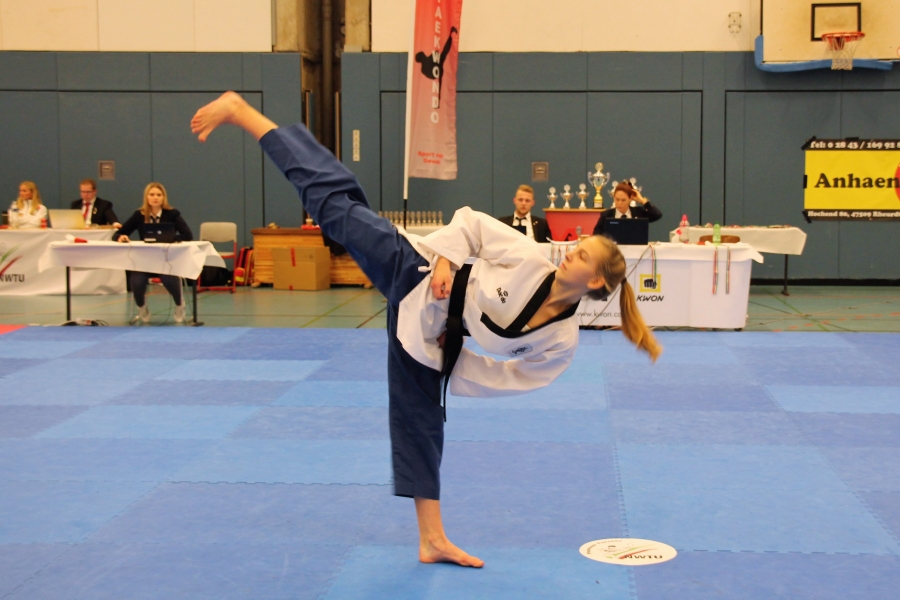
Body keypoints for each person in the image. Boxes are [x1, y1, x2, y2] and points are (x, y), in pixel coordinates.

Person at [190, 91, 661, 568]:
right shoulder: (530, 258)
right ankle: (244, 113)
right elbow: (472, 225)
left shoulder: (559, 343)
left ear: (595, 281)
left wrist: (454, 360)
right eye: (578, 245)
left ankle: (432, 540)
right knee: (335, 211)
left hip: (428, 340)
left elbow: (512, 377)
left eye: (583, 255)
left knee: (422, 427)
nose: (572, 250)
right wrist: (445, 261)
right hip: (415, 271)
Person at [115, 183, 193, 324]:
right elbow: (118, 233)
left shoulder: (173, 214)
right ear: (146, 197)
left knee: (169, 278)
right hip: (144, 261)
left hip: (165, 260)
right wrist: (120, 237)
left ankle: (179, 304)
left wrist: (171, 238)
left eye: (159, 195)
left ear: (163, 197)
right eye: (152, 194)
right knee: (136, 280)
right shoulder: (139, 215)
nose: (155, 198)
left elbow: (188, 235)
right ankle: (142, 307)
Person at [592, 180, 662, 236]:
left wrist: (642, 201)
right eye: (617, 199)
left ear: (630, 199)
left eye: (623, 200)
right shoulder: (606, 215)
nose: (619, 203)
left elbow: (657, 215)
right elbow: (596, 236)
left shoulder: (639, 213)